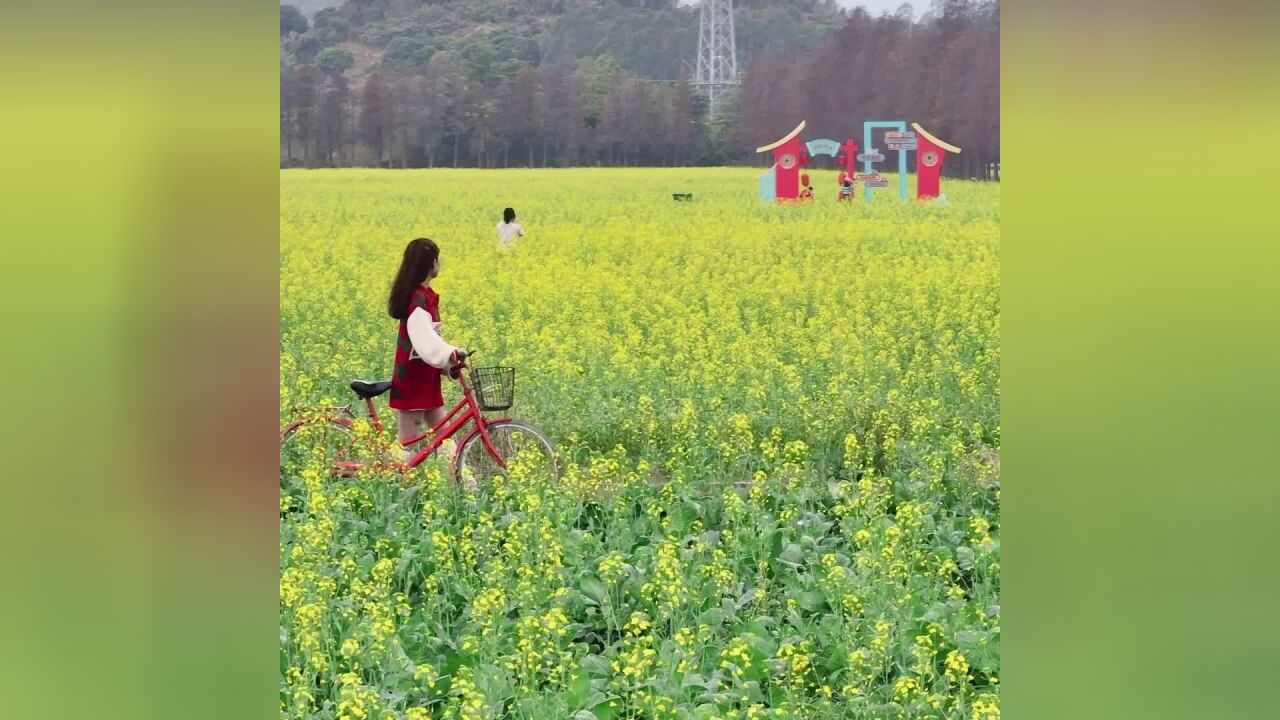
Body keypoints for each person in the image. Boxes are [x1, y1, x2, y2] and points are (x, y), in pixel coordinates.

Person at [387, 238, 466, 460]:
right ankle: (386, 487)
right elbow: (425, 341)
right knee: (406, 447)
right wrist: (449, 354)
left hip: (426, 379)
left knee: (446, 437)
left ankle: (466, 488)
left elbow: (432, 339)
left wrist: (447, 364)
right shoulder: (417, 300)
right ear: (431, 264)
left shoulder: (424, 296)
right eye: (438, 260)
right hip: (412, 382)